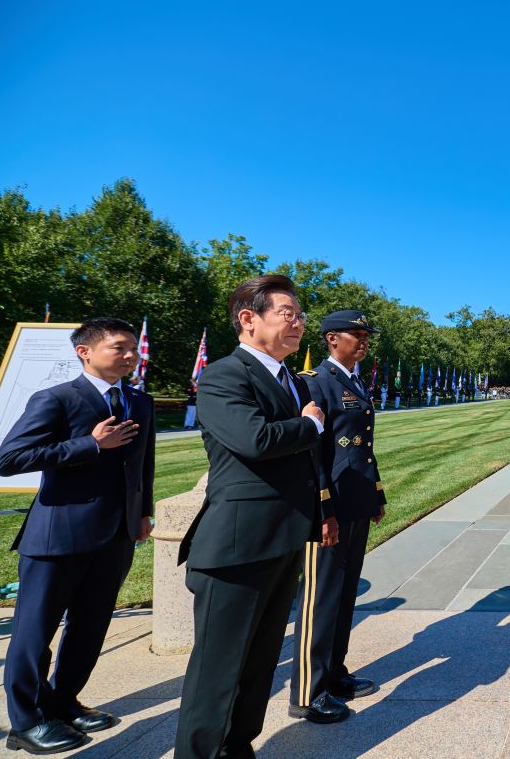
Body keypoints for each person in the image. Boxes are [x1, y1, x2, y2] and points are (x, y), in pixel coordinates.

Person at [174, 275, 337, 759]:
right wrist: (309, 423)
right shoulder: (226, 374)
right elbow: (254, 440)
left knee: (260, 663)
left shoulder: (289, 378)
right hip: (236, 549)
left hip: (281, 540)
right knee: (217, 672)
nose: (299, 324)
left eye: (300, 316)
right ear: (249, 319)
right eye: (289, 314)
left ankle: (237, 746)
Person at [0, 317, 154, 755]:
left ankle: (63, 702)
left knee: (90, 627)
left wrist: (143, 513)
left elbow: (144, 464)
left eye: (133, 349)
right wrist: (90, 445)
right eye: (119, 347)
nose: (129, 356)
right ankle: (25, 723)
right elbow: (10, 459)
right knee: (35, 632)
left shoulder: (139, 402)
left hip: (116, 534)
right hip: (57, 536)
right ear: (85, 351)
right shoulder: (57, 398)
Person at [294, 311, 386, 723]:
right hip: (329, 507)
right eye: (358, 335)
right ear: (333, 339)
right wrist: (323, 509)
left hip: (356, 500)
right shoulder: (315, 383)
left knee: (345, 594)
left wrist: (376, 492)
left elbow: (363, 446)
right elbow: (313, 455)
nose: (364, 341)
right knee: (320, 599)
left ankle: (333, 673)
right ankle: (307, 693)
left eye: (367, 336)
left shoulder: (352, 381)